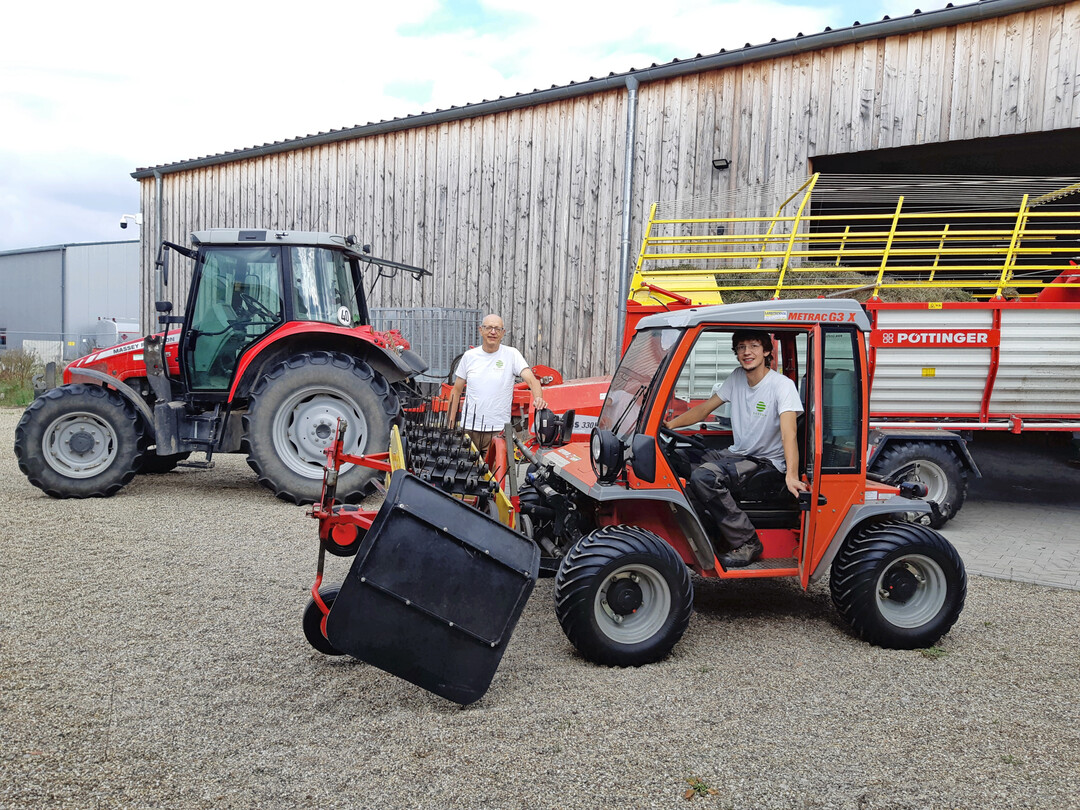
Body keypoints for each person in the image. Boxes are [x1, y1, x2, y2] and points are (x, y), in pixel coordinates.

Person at [664, 330, 807, 568]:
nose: (747, 352)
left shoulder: (782, 386)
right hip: (737, 452)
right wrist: (670, 424)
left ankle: (747, 541)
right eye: (741, 347)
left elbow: (788, 433)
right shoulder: (737, 377)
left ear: (767, 351)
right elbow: (705, 409)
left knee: (705, 476)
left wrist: (791, 475)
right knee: (673, 457)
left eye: (753, 346)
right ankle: (710, 531)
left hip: (764, 461)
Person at [447, 314, 547, 458]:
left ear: (503, 333)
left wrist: (538, 398)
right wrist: (450, 425)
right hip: (469, 430)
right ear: (481, 330)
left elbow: (532, 380)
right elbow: (456, 391)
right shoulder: (469, 356)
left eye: (497, 329)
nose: (493, 332)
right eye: (489, 328)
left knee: (494, 477)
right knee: (465, 476)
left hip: (498, 431)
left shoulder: (512, 355)